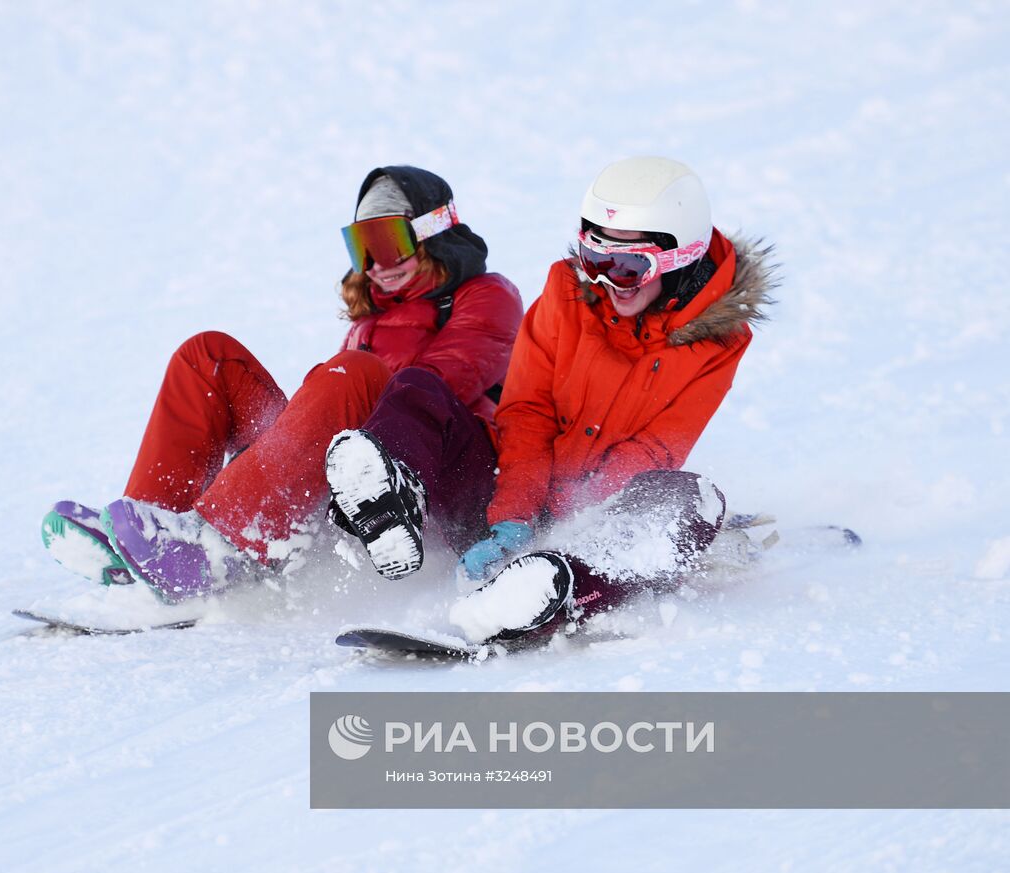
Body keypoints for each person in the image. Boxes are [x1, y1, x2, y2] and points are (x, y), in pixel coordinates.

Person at [325, 156, 772, 642]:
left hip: (586, 526)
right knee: (419, 388)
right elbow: (526, 412)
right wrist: (514, 516)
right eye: (594, 259)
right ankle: (392, 498)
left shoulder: (717, 344)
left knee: (689, 496)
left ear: (680, 257)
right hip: (502, 498)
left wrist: (562, 524)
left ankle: (549, 590)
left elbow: (656, 450)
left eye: (624, 267)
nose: (603, 281)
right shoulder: (565, 294)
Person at [44, 166, 522, 601]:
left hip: (434, 482)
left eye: (388, 242)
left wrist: (329, 403)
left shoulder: (486, 295)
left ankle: (214, 548)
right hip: (348, 471)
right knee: (207, 355)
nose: (376, 264)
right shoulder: (372, 318)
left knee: (355, 374)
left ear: (432, 235)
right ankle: (151, 536)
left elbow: (428, 392)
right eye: (363, 249)